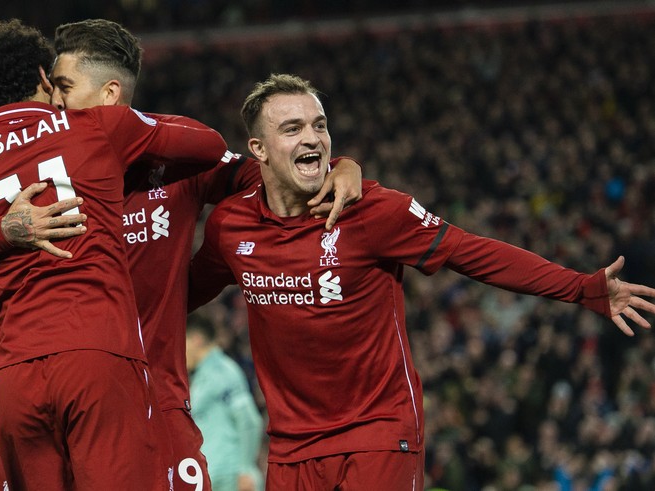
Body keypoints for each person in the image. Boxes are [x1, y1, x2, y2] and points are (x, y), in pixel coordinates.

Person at [0, 18, 364, 491]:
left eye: (65, 87)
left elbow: (267, 175)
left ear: (110, 95)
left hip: (157, 405)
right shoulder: (36, 189)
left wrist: (342, 168)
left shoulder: (171, 165)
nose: (53, 101)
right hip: (57, 394)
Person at [186, 73, 655, 490]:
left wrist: (581, 287)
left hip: (378, 433)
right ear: (259, 150)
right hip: (291, 448)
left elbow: (474, 253)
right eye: (293, 129)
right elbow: (180, 293)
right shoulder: (232, 227)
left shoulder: (372, 211)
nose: (313, 138)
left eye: (320, 124)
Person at [0, 19, 230, 490]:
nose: (58, 95)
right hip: (97, 356)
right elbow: (210, 144)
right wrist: (137, 124)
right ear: (41, 77)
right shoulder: (93, 125)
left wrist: (2, 232)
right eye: (55, 84)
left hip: (16, 373)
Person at [186, 314, 264, 491]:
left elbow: (249, 420)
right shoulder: (203, 376)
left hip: (230, 476)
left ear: (196, 340)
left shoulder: (222, 372)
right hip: (215, 474)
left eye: (183, 344)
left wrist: (245, 469)